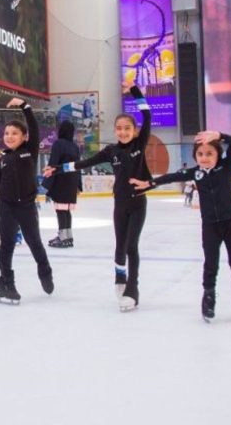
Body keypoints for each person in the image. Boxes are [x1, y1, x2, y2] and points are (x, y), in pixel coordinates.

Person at [44, 84, 150, 312]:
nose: (122, 132)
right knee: (120, 247)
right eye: (119, 128)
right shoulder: (111, 151)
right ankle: (120, 279)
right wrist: (57, 169)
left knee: (132, 246)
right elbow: (83, 163)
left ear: (135, 130)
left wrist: (133, 90)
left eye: (127, 128)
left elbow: (147, 114)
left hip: (138, 203)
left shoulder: (139, 145)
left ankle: (133, 288)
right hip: (120, 204)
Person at [134, 130, 231, 322]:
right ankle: (208, 296)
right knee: (211, 263)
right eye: (200, 154)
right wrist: (149, 183)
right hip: (210, 226)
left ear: (218, 155)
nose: (204, 158)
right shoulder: (195, 173)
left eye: (209, 154)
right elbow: (171, 177)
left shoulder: (225, 165)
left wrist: (219, 135)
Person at [0, 98, 53, 304]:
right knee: (7, 246)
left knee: (34, 242)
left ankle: (45, 270)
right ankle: (6, 283)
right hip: (6, 206)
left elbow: (34, 126)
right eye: (6, 133)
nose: (9, 137)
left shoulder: (30, 151)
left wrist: (25, 106)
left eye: (14, 133)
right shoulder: (2, 159)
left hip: (27, 206)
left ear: (24, 137)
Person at [44, 120, 81, 248]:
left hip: (61, 181)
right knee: (66, 211)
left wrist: (46, 185)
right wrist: (78, 185)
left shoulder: (58, 144)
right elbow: (79, 166)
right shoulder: (75, 147)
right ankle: (68, 236)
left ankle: (62, 237)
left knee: (60, 210)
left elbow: (53, 164)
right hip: (72, 182)